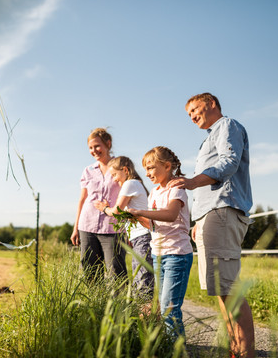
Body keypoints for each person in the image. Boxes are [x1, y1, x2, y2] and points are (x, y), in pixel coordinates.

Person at [170, 92, 254, 358]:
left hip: (223, 210)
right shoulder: (209, 137)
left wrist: (193, 182)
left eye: (195, 109)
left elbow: (229, 161)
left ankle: (246, 354)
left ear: (212, 104)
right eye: (189, 114)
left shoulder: (227, 126)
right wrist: (199, 218)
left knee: (229, 287)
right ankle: (235, 349)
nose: (192, 116)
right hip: (211, 214)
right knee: (220, 289)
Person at [128, 146, 193, 339]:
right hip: (158, 254)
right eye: (145, 169)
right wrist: (134, 217)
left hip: (176, 254)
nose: (146, 173)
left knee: (169, 309)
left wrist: (140, 212)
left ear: (166, 166)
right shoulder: (154, 192)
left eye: (150, 168)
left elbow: (171, 215)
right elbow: (152, 224)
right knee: (164, 308)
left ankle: (177, 350)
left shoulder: (176, 188)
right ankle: (170, 347)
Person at [93, 156, 154, 298]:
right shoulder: (137, 183)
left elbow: (117, 212)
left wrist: (104, 208)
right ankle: (149, 318)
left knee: (142, 284)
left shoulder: (130, 183)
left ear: (125, 170)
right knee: (143, 281)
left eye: (114, 174)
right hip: (141, 237)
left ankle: (144, 318)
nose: (114, 179)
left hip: (142, 237)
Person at [70, 128, 127, 281]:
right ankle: (95, 305)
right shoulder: (88, 170)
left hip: (113, 227)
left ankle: (119, 305)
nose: (94, 150)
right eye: (90, 147)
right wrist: (75, 228)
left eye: (97, 146)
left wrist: (128, 228)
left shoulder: (120, 166)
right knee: (90, 272)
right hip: (87, 226)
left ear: (108, 144)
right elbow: (82, 200)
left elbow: (128, 194)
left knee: (117, 271)